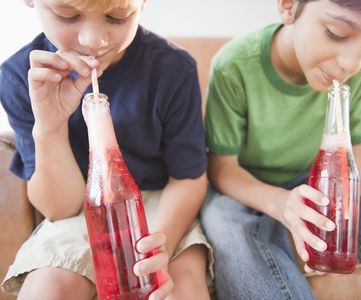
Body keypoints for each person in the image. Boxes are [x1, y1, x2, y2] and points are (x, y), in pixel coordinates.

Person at [0, 0, 213, 299]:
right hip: (75, 214)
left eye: (117, 17)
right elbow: (59, 209)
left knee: (182, 287)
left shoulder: (172, 69)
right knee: (50, 288)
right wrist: (50, 129)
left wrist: (158, 245)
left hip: (159, 203)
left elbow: (189, 179)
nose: (93, 40)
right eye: (67, 15)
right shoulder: (21, 77)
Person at [201, 0, 361, 299]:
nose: (352, 63)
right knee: (229, 232)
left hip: (328, 184)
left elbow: (358, 152)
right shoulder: (234, 65)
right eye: (336, 33)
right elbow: (221, 168)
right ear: (288, 6)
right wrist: (282, 204)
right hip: (248, 185)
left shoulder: (359, 69)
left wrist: (337, 210)